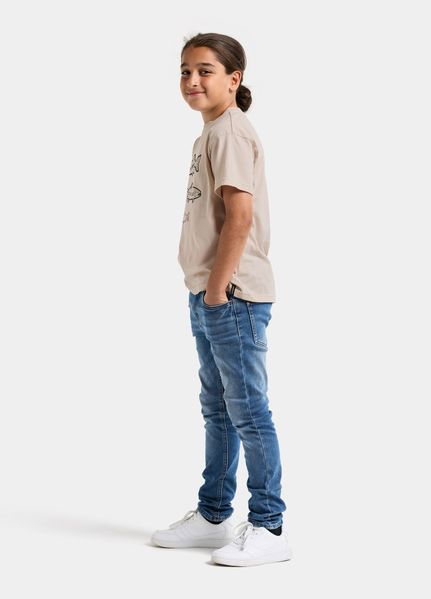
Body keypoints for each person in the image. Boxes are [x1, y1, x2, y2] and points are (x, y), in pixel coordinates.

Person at [151, 32, 292, 567]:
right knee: (218, 409)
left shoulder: (230, 131)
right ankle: (214, 516)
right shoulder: (211, 132)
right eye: (185, 71)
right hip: (211, 295)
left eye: (205, 70)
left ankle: (270, 526)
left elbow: (241, 216)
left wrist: (216, 290)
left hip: (232, 297)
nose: (192, 80)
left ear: (234, 79)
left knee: (249, 411)